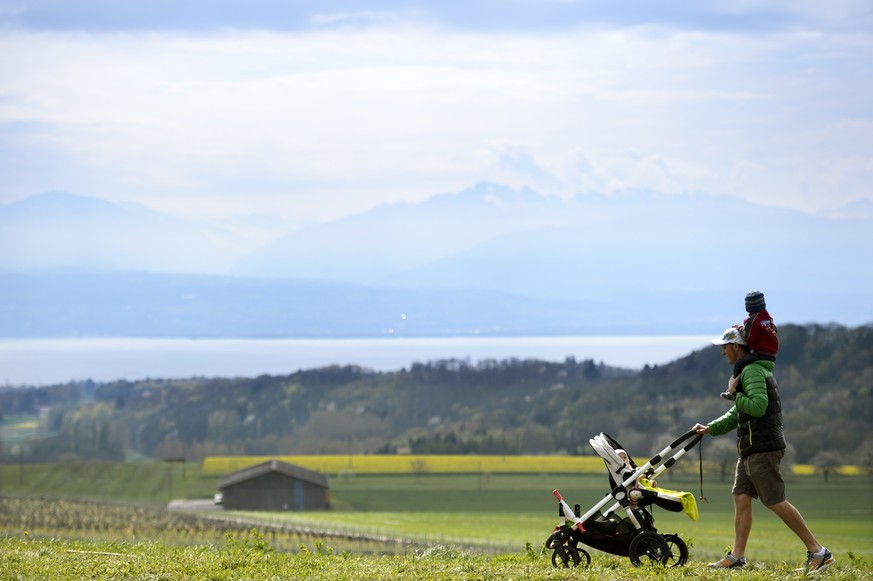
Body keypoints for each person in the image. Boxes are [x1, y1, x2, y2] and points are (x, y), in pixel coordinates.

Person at [695, 325, 835, 574]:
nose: (722, 352)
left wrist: (732, 394)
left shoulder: (752, 371)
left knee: (775, 501)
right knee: (741, 497)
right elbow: (739, 412)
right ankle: (737, 557)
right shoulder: (747, 370)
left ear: (737, 347)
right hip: (750, 448)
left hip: (763, 447)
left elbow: (758, 406)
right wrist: (711, 428)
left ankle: (819, 552)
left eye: (725, 347)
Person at [721, 290, 779, 401]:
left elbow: (747, 336)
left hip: (761, 353)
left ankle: (733, 390)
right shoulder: (766, 316)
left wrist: (739, 327)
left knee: (739, 365)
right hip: (771, 353)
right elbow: (775, 329)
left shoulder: (753, 319)